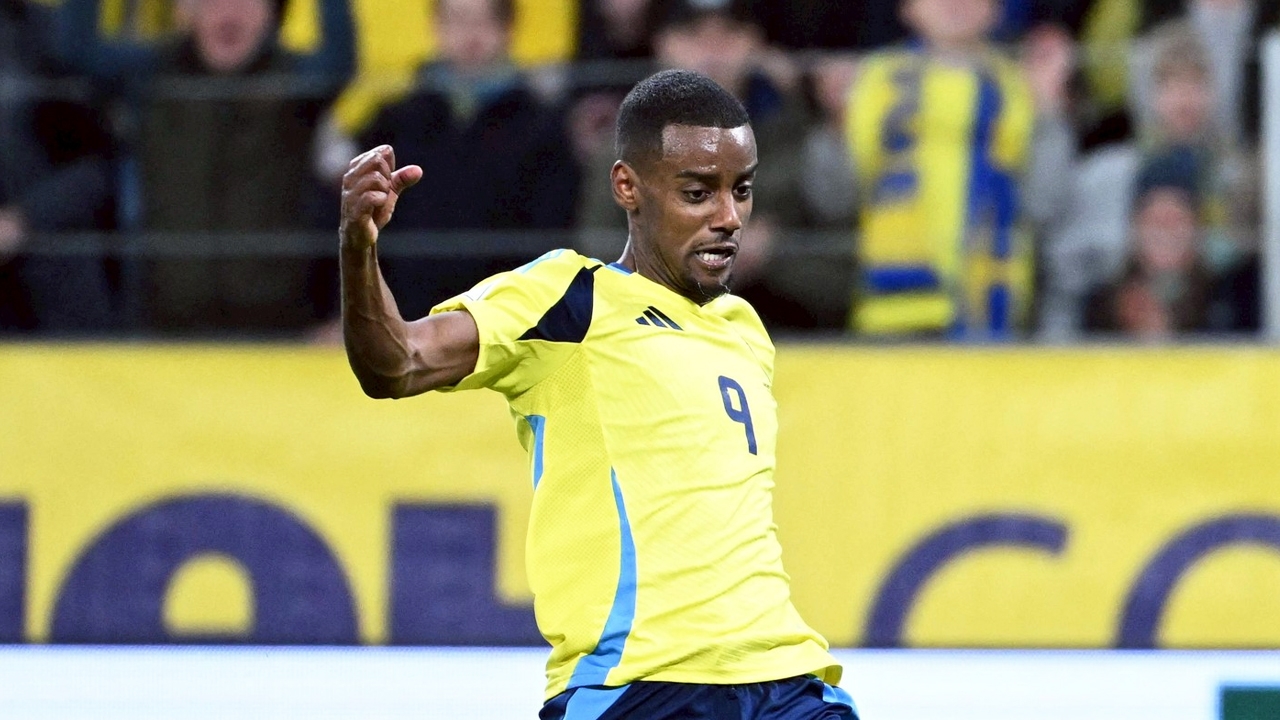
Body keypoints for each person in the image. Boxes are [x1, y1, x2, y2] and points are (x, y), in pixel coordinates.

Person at [339, 69, 857, 720]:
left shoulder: (743, 328)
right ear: (627, 187)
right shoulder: (571, 299)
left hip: (787, 681)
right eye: (698, 193)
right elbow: (397, 363)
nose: (729, 217)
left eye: (742, 190)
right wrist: (358, 246)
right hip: (637, 688)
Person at [57, 0, 356, 335]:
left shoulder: (293, 81)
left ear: (271, 14)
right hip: (166, 324)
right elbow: (76, 50)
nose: (229, 13)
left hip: (275, 325)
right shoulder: (154, 72)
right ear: (187, 9)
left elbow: (339, 62)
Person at [846, 0, 1045, 339]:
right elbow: (850, 177)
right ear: (907, 8)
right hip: (897, 304)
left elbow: (1036, 186)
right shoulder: (877, 76)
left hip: (990, 304)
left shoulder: (1016, 83)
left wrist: (1049, 112)